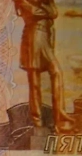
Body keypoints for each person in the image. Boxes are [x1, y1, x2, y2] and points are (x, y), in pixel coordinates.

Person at [14, 0, 72, 131]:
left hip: (45, 36)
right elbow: (33, 12)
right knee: (34, 81)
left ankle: (60, 117)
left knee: (56, 72)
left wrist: (45, 9)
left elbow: (54, 12)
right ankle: (37, 121)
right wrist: (46, 9)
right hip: (33, 36)